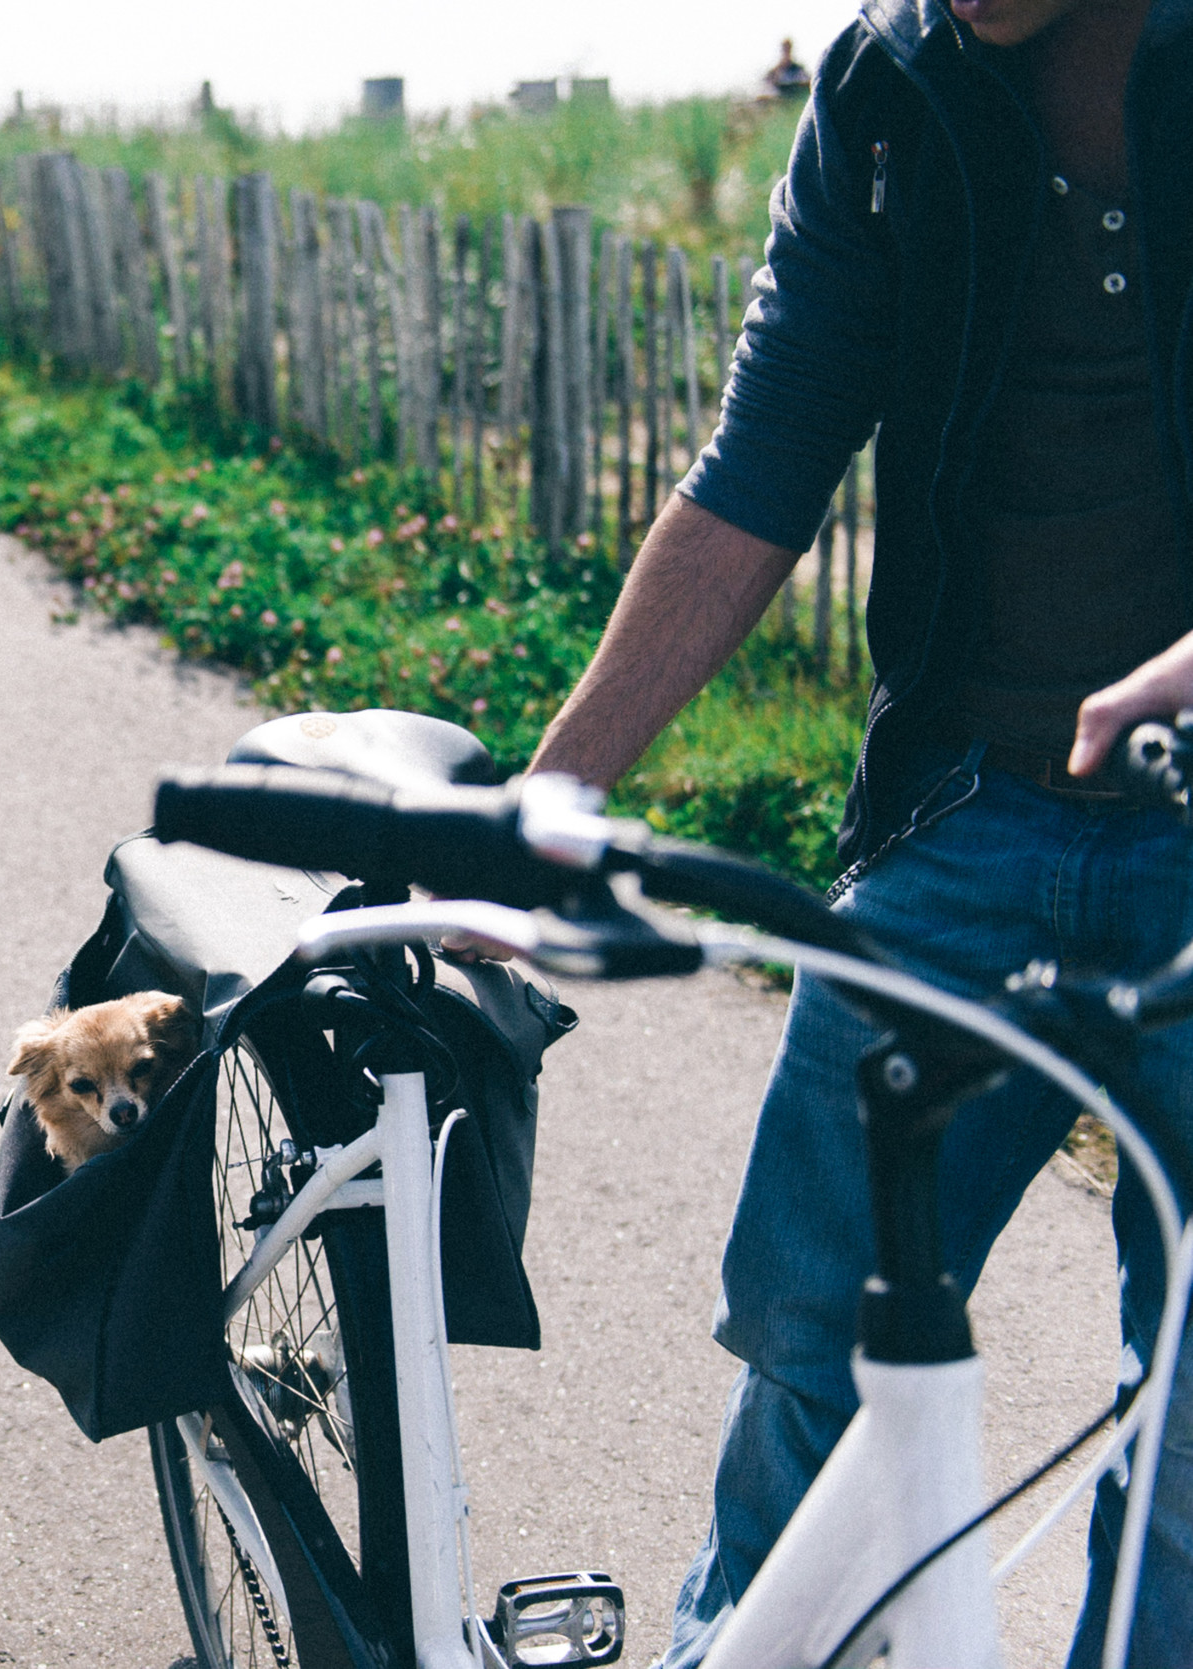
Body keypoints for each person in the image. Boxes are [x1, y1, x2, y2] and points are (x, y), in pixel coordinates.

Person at [526, 0, 1193, 1662]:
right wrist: (551, 793)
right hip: (960, 816)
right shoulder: (890, 86)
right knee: (814, 1343)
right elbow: (760, 466)